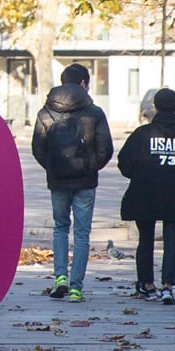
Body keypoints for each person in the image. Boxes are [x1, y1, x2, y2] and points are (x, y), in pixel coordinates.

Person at [29, 63, 114, 301]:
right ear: (84, 84)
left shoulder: (46, 111)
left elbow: (38, 148)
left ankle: (59, 278)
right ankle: (76, 287)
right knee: (82, 232)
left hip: (58, 181)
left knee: (60, 227)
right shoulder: (94, 112)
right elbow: (105, 148)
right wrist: (90, 166)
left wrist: (54, 167)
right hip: (85, 180)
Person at [116, 86, 175, 304]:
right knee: (172, 238)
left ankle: (147, 284)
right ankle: (167, 286)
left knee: (145, 238)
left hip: (144, 192)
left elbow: (124, 163)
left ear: (155, 107)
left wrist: (139, 174)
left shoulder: (141, 134)